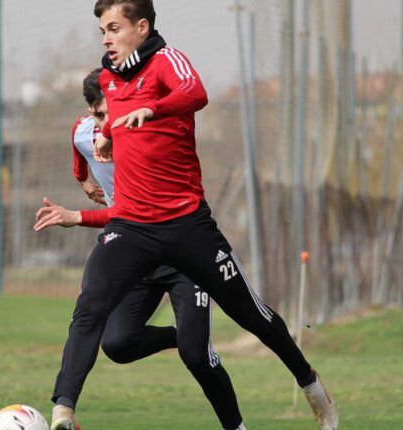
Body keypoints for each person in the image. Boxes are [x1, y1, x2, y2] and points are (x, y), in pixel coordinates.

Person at [34, 1, 338, 429]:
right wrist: (105, 136)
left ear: (141, 27)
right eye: (102, 29)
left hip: (187, 226)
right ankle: (63, 410)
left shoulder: (165, 61)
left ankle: (310, 384)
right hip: (133, 227)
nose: (105, 37)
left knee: (249, 314)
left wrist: (152, 109)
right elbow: (109, 122)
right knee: (92, 308)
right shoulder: (107, 78)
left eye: (114, 27)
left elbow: (197, 94)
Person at [47, 68, 246, 430]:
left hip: (181, 251)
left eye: (110, 113)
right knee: (119, 344)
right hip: (135, 251)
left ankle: (234, 422)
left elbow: (131, 211)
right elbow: (80, 165)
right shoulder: (82, 134)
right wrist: (84, 182)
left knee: (197, 357)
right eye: (98, 115)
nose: (106, 124)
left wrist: (79, 215)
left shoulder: (146, 136)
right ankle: (181, 337)